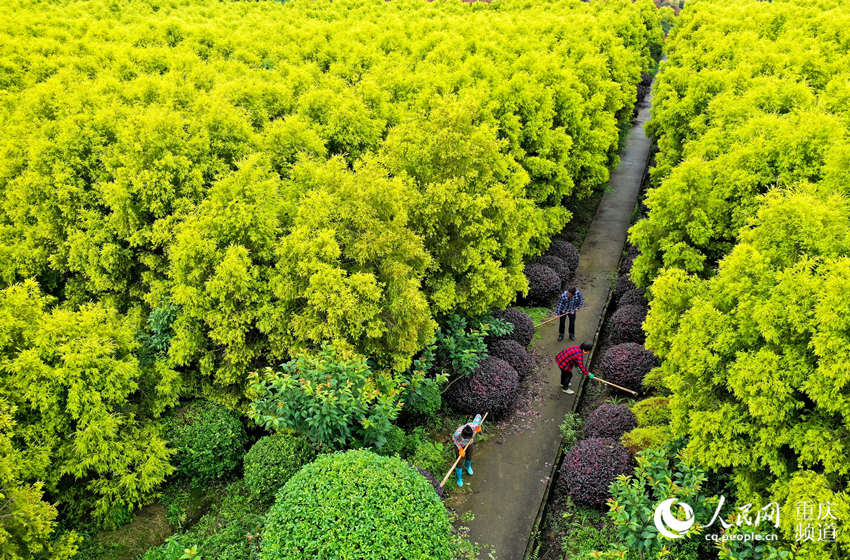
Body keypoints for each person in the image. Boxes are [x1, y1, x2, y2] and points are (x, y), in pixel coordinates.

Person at [452, 413, 482, 487]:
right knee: (460, 461)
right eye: (466, 438)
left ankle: (468, 466)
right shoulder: (457, 434)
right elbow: (454, 440)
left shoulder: (473, 426)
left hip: (469, 443)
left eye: (469, 437)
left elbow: (478, 416)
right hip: (459, 445)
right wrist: (460, 449)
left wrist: (479, 426)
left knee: (469, 455)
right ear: (462, 435)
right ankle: (459, 478)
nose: (467, 439)